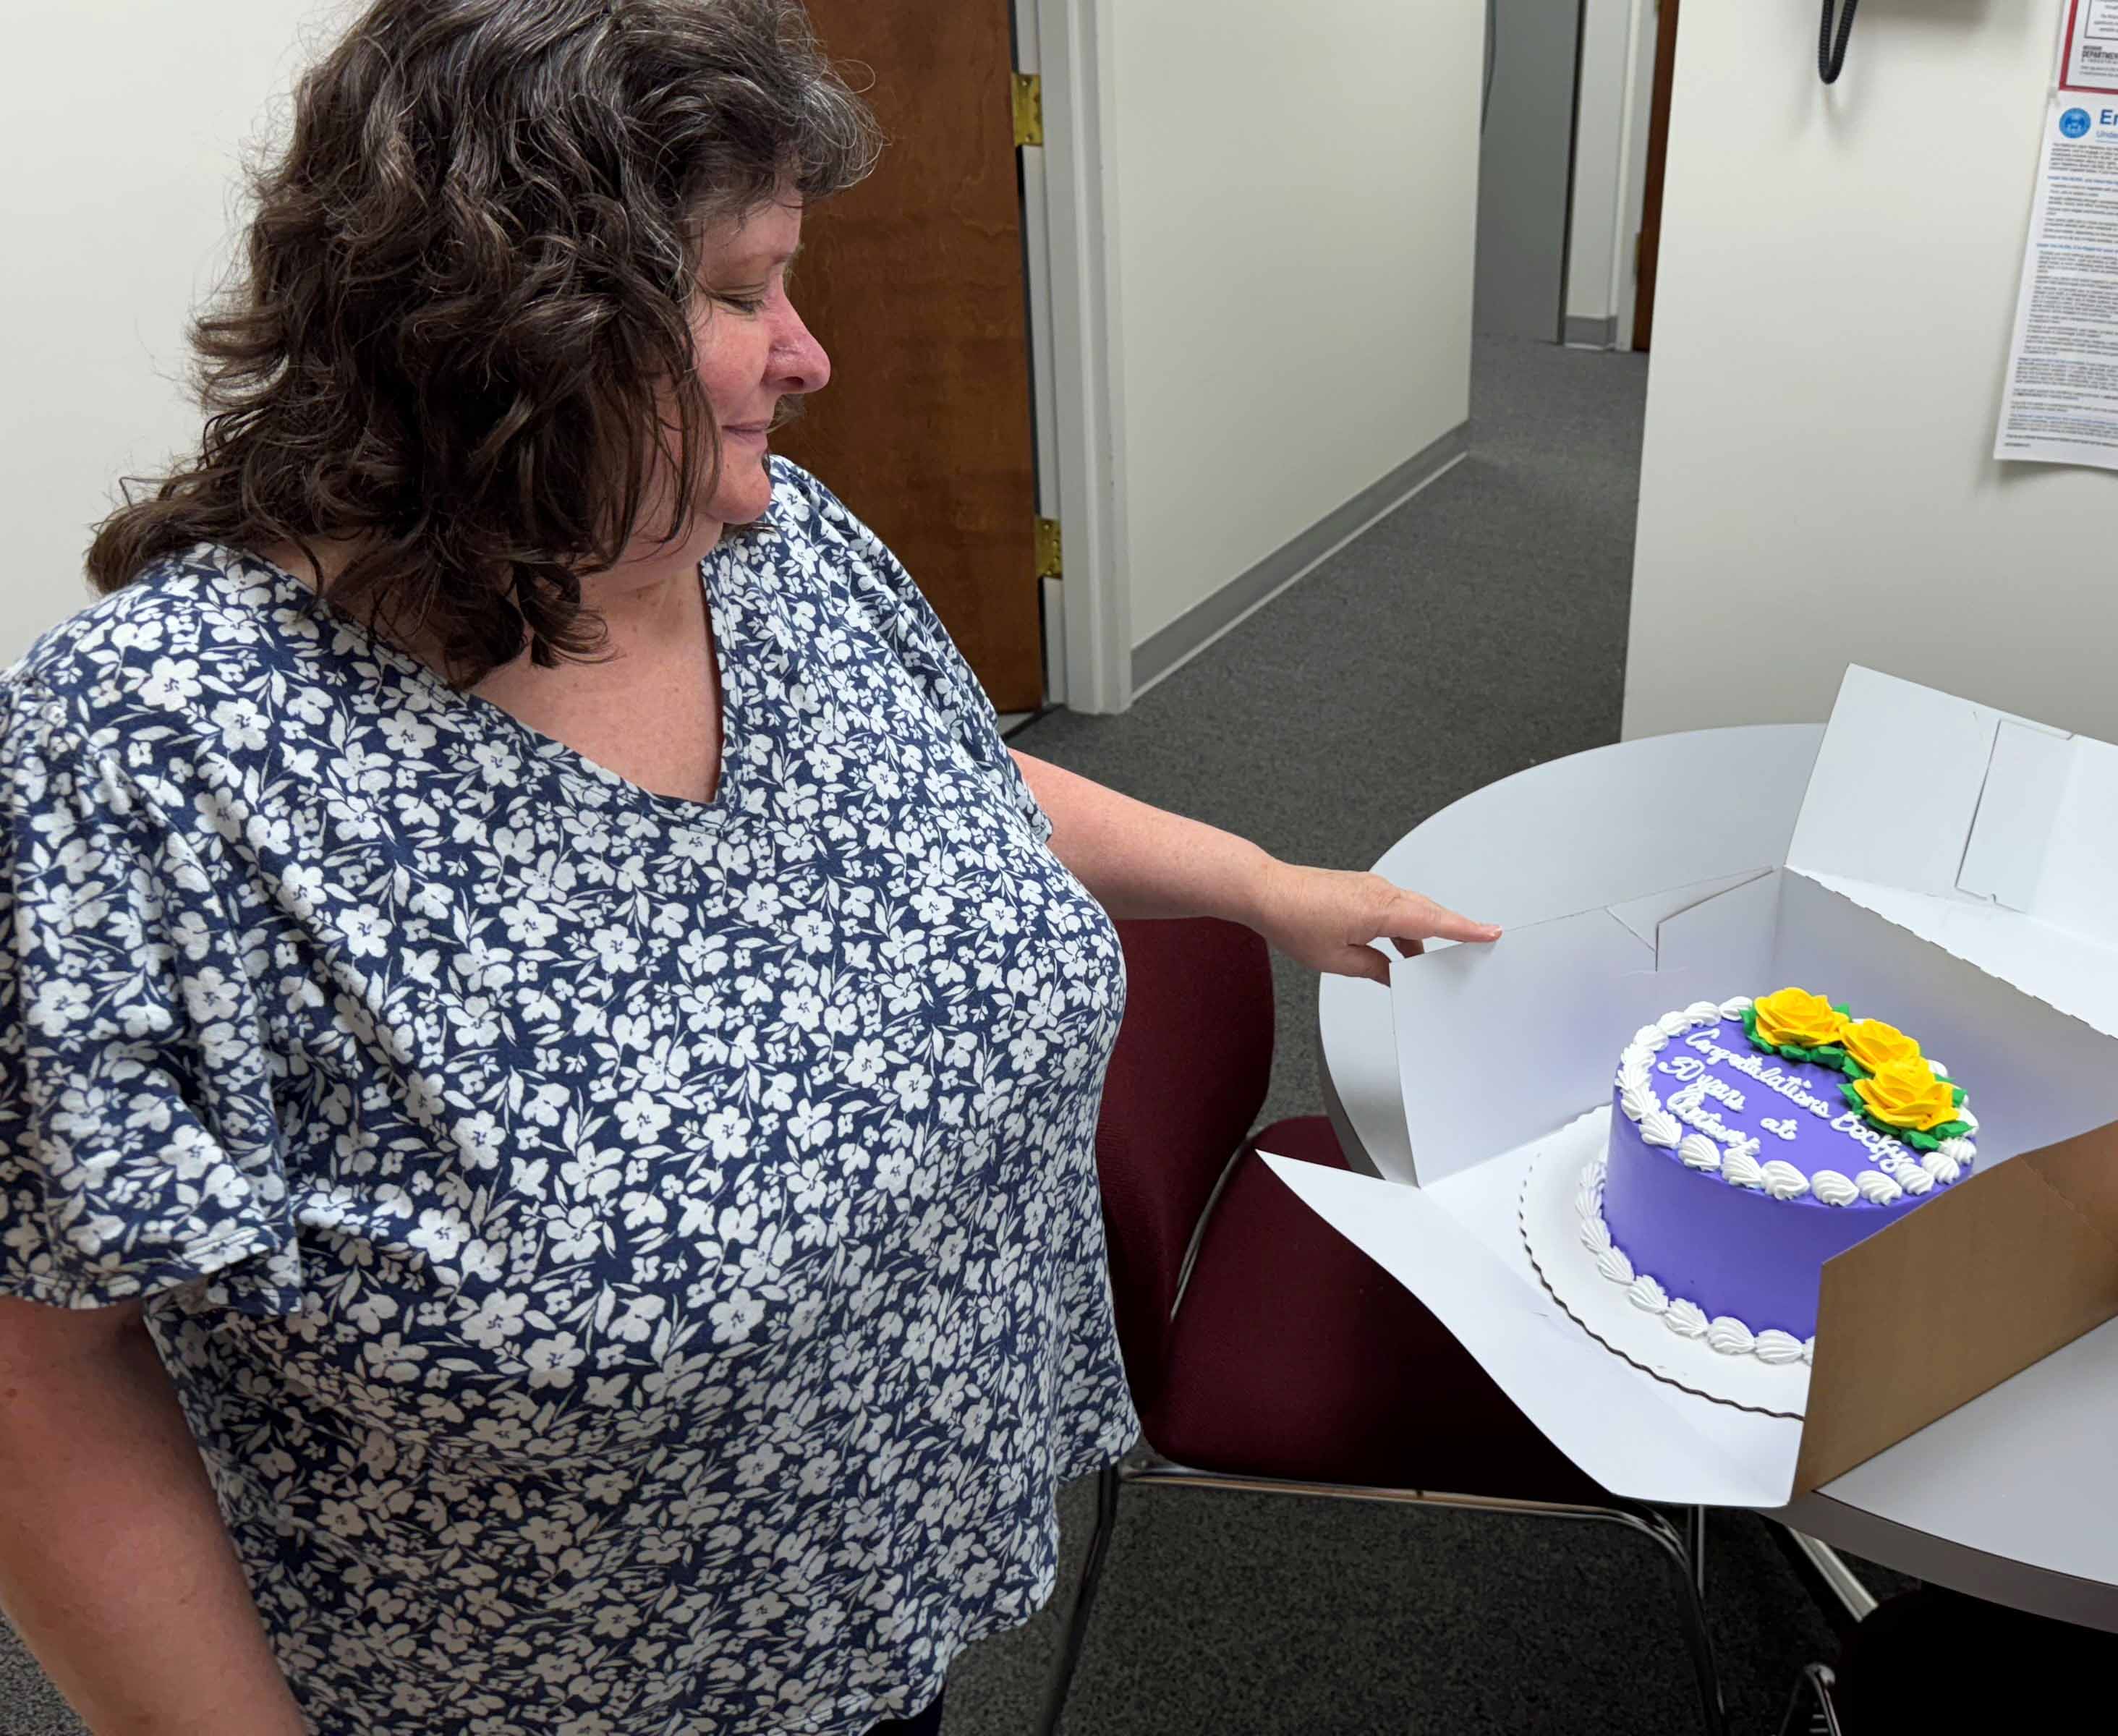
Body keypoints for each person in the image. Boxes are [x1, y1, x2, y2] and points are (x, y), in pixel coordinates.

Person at [0, 4, 1500, 1733]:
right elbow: (50, 1375)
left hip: (861, 1598)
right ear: (502, 329)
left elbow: (939, 785)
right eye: (736, 293)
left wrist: (1257, 879)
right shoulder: (151, 761)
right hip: (548, 1683)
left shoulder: (750, 537)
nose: (809, 357)